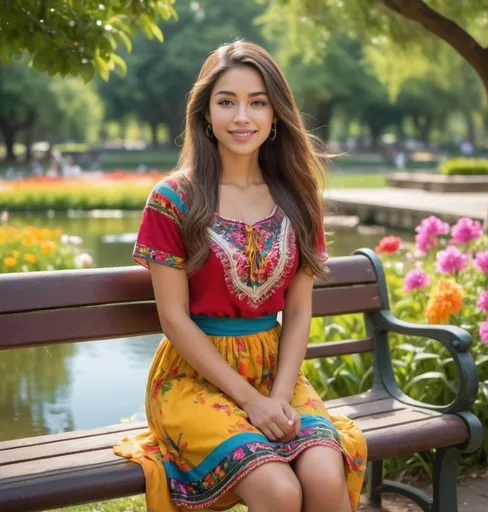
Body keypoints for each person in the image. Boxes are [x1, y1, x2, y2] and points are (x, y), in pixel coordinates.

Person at [113, 40, 367, 512]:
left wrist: (279, 393)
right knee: (279, 489)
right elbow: (174, 320)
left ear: (276, 114)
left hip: (276, 371)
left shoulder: (297, 194)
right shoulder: (173, 199)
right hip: (193, 376)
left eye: (257, 102)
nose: (242, 117)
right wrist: (252, 402)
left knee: (324, 475)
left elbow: (297, 307)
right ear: (206, 113)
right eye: (226, 101)